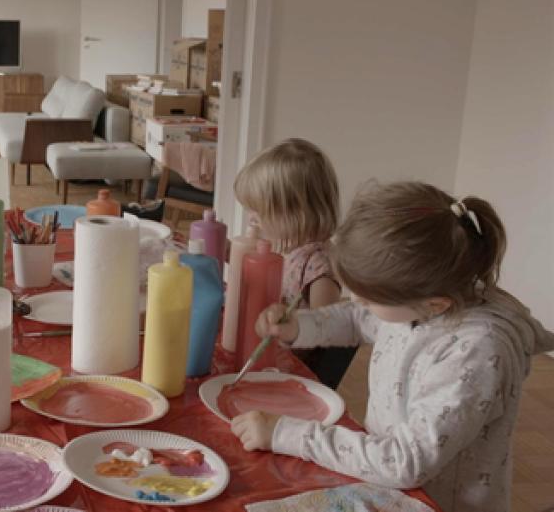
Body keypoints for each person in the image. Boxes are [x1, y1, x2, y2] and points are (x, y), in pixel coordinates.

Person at [232, 181, 554, 512]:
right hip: (387, 480)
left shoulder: (477, 353)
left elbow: (406, 461)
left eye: (369, 299)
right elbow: (358, 318)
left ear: (435, 305)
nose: (357, 301)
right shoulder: (420, 300)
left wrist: (286, 434)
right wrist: (300, 325)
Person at [234, 138, 354, 388]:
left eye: (259, 210)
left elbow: (325, 332)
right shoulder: (288, 248)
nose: (252, 218)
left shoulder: (318, 267)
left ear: (295, 213)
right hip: (267, 352)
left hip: (289, 373)